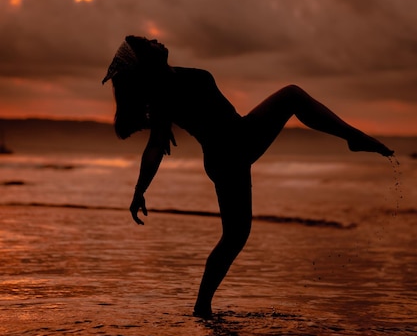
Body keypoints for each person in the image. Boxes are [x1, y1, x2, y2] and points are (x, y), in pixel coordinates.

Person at [102, 35, 394, 318]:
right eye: (148, 44)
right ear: (145, 60)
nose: (156, 41)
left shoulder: (176, 78)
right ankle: (201, 307)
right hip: (230, 149)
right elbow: (154, 147)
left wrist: (140, 189)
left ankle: (202, 307)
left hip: (234, 142)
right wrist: (139, 190)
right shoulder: (166, 91)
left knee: (234, 237)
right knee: (291, 96)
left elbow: (158, 143)